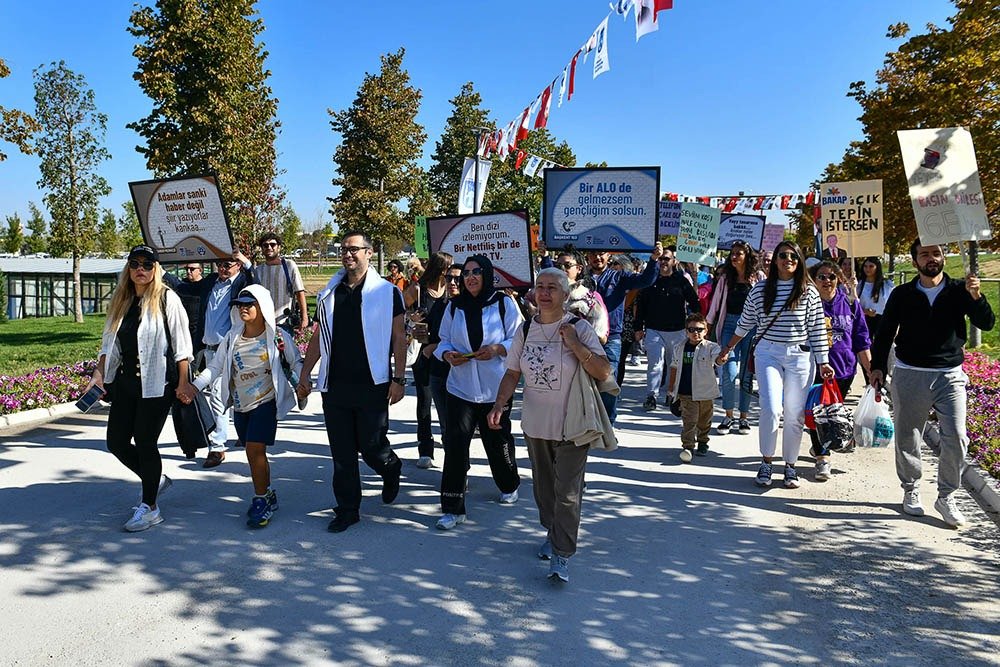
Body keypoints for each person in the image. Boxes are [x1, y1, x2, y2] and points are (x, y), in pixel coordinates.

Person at [488, 268, 611, 583]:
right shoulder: (525, 329)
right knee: (545, 492)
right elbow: (513, 372)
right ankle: (553, 532)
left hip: (574, 424)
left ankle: (562, 553)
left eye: (552, 287)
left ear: (565, 294)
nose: (544, 292)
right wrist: (500, 404)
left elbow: (603, 372)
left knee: (567, 492)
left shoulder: (579, 329)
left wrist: (576, 346)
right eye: (540, 286)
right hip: (535, 423)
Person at [870, 240, 995, 527]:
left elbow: (987, 323)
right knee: (908, 436)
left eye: (936, 253)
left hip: (949, 374)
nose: (931, 258)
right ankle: (911, 489)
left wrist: (976, 297)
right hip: (910, 372)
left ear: (943, 257)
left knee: (957, 437)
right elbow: (886, 331)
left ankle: (946, 495)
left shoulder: (959, 290)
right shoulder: (902, 294)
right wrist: (877, 367)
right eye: (924, 254)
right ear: (915, 261)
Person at [296, 231, 406, 534]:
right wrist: (306, 375)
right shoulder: (329, 293)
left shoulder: (386, 292)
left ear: (369, 253)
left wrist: (399, 378)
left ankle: (390, 466)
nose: (348, 254)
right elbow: (319, 337)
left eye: (354, 249)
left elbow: (399, 337)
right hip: (335, 385)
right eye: (344, 249)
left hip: (373, 383)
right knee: (342, 452)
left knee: (371, 445)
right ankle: (347, 509)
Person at [84, 245, 194, 532]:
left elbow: (182, 347)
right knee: (116, 442)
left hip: (158, 384)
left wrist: (183, 382)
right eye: (135, 264)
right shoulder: (122, 300)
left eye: (147, 264)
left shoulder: (167, 299)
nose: (140, 269)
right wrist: (99, 375)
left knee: (145, 441)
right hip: (127, 383)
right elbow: (110, 345)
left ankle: (150, 507)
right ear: (128, 269)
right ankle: (153, 479)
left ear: (156, 269)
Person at [177, 285, 303, 528]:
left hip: (265, 403)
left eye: (249, 304)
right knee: (256, 454)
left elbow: (295, 360)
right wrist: (193, 387)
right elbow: (215, 368)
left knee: (254, 450)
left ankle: (260, 500)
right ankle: (267, 493)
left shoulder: (277, 336)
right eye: (240, 304)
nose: (243, 308)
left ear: (262, 306)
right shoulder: (232, 336)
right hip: (240, 406)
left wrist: (303, 383)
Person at [716, 241, 833, 489]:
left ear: (799, 260)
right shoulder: (759, 290)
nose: (787, 259)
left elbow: (817, 331)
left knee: (794, 414)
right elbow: (745, 323)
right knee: (771, 409)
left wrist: (823, 361)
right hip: (768, 352)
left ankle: (790, 466)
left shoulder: (809, 292)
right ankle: (766, 461)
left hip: (800, 356)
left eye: (793, 255)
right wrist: (728, 348)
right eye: (782, 255)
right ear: (776, 260)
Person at [433, 255, 524, 530]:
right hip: (460, 388)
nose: (470, 277)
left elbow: (518, 339)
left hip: (496, 389)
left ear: (487, 275)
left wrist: (498, 349)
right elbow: (442, 341)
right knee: (456, 445)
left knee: (497, 442)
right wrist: (448, 354)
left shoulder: (504, 303)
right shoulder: (453, 307)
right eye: (466, 273)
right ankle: (452, 507)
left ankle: (509, 483)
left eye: (476, 272)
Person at [170, 250, 255, 468]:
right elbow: (185, 288)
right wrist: (161, 270)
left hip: (227, 349)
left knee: (218, 396)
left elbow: (257, 281)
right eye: (220, 264)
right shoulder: (210, 282)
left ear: (237, 265)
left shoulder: (242, 285)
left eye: (228, 264)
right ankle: (241, 433)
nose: (223, 268)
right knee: (229, 395)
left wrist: (245, 260)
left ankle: (217, 447)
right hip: (207, 347)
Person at [809, 261, 872, 481]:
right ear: (814, 280)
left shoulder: (851, 304)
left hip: (844, 369)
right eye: (822, 277)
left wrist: (871, 370)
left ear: (839, 279)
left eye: (832, 277)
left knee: (833, 414)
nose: (827, 281)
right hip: (814, 369)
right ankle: (822, 458)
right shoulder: (808, 305)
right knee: (818, 414)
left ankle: (820, 446)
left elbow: (861, 339)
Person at [586, 242, 663, 423]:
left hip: (610, 338)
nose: (597, 257)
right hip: (582, 338)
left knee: (608, 381)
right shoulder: (581, 277)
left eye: (601, 253)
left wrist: (653, 260)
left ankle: (607, 423)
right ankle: (588, 423)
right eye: (593, 253)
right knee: (583, 382)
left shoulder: (619, 277)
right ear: (587, 256)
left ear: (608, 256)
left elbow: (646, 280)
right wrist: (546, 258)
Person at [705, 241, 764, 435]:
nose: (734, 257)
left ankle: (744, 418)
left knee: (746, 375)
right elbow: (715, 305)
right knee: (728, 372)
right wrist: (707, 327)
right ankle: (728, 416)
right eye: (732, 253)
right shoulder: (725, 278)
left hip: (752, 329)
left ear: (748, 256)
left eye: (739, 253)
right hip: (729, 326)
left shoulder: (759, 278)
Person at [633, 246, 700, 412]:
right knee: (655, 364)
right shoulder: (650, 280)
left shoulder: (681, 281)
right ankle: (651, 396)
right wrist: (638, 327)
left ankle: (672, 394)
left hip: (677, 330)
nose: (663, 262)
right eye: (661, 258)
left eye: (667, 259)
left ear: (674, 261)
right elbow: (640, 305)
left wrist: (695, 324)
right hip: (654, 329)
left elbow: (694, 303)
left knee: (674, 364)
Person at [403, 251, 453, 468]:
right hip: (423, 351)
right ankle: (425, 449)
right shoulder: (418, 289)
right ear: (440, 268)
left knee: (448, 403)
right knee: (424, 400)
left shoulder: (450, 291)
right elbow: (398, 308)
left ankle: (451, 446)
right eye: (448, 268)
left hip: (445, 351)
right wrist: (410, 317)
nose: (451, 274)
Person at [421, 263, 464, 465]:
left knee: (462, 426)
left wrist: (436, 346)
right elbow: (428, 334)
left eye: (457, 278)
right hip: (438, 373)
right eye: (448, 278)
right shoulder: (439, 305)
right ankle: (456, 470)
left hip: (465, 374)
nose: (452, 282)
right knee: (447, 426)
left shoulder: (472, 307)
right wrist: (414, 326)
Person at [665, 313, 721, 461]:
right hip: (685, 392)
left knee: (704, 421)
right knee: (689, 422)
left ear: (706, 330)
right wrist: (671, 389)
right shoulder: (679, 347)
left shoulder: (711, 347)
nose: (695, 332)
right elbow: (674, 367)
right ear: (686, 331)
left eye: (699, 329)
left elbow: (718, 359)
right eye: (691, 329)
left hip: (705, 392)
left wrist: (722, 358)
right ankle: (688, 446)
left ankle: (703, 441)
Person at [253, 232, 308, 335]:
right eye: (265, 245)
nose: (269, 247)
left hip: (284, 322)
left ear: (279, 247)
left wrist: (304, 317)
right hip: (263, 323)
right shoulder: (258, 270)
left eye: (273, 244)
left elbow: (300, 293)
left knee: (285, 351)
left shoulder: (289, 266)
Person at [553, 250, 609, 344]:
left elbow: (601, 336)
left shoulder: (591, 298)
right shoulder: (546, 294)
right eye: (558, 266)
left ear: (579, 268)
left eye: (567, 265)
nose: (562, 269)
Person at [858, 256, 893, 338]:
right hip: (865, 319)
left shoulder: (886, 284)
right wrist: (865, 311)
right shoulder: (859, 285)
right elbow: (854, 304)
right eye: (865, 266)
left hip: (882, 320)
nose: (867, 269)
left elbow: (891, 304)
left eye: (871, 266)